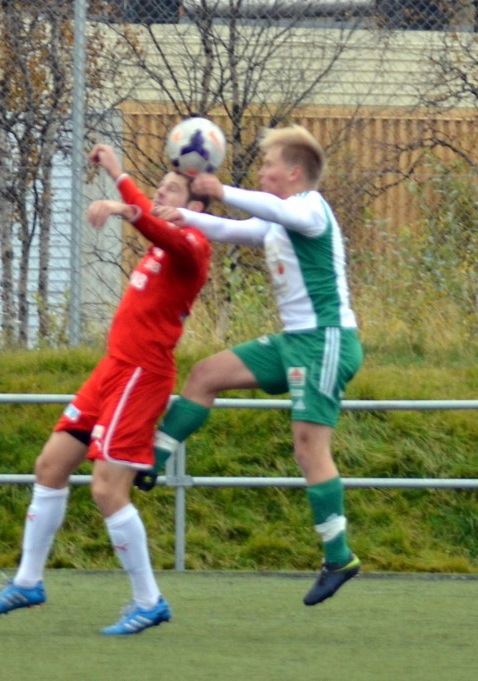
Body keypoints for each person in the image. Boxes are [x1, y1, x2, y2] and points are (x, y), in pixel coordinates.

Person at [0, 143, 213, 635]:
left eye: (170, 189)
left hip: (142, 375)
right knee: (50, 465)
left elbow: (155, 225)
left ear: (195, 206)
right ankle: (28, 581)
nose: (158, 194)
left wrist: (123, 207)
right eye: (159, 187)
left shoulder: (193, 246)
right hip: (112, 370)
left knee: (107, 488)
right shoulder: (163, 237)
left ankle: (149, 601)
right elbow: (150, 217)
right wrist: (117, 172)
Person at [139, 124, 364, 606]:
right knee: (205, 375)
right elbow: (231, 229)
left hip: (325, 340)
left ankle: (339, 557)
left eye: (268, 165)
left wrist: (221, 190)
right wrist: (179, 215)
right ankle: (152, 460)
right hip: (295, 341)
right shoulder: (280, 220)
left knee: (309, 448)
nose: (261, 172)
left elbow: (273, 210)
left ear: (294, 172)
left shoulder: (310, 208)